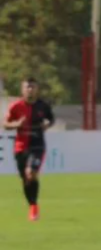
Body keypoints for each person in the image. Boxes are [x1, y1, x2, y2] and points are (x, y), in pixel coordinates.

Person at [4, 77, 54, 221]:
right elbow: (5, 124)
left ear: (37, 89)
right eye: (27, 87)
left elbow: (51, 119)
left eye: (33, 87)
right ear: (22, 89)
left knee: (30, 173)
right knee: (26, 179)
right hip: (20, 147)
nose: (30, 90)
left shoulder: (43, 106)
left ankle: (33, 208)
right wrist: (16, 124)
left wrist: (47, 124)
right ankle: (32, 204)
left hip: (37, 145)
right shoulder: (16, 106)